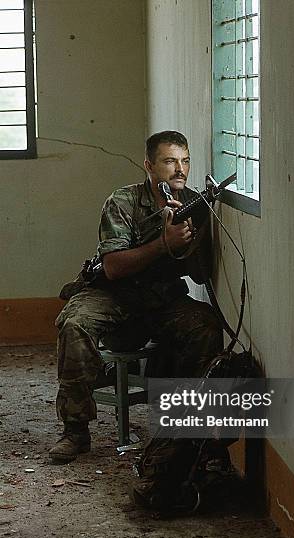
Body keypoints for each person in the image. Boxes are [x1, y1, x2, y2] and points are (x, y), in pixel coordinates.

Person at [50, 131, 223, 463]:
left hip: (163, 299)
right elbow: (113, 267)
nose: (179, 169)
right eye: (169, 161)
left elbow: (201, 275)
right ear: (149, 166)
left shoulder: (192, 204)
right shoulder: (122, 202)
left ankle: (190, 430)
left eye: (185, 161)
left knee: (206, 327)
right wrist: (163, 242)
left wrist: (193, 234)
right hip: (114, 294)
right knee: (74, 323)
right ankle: (75, 430)